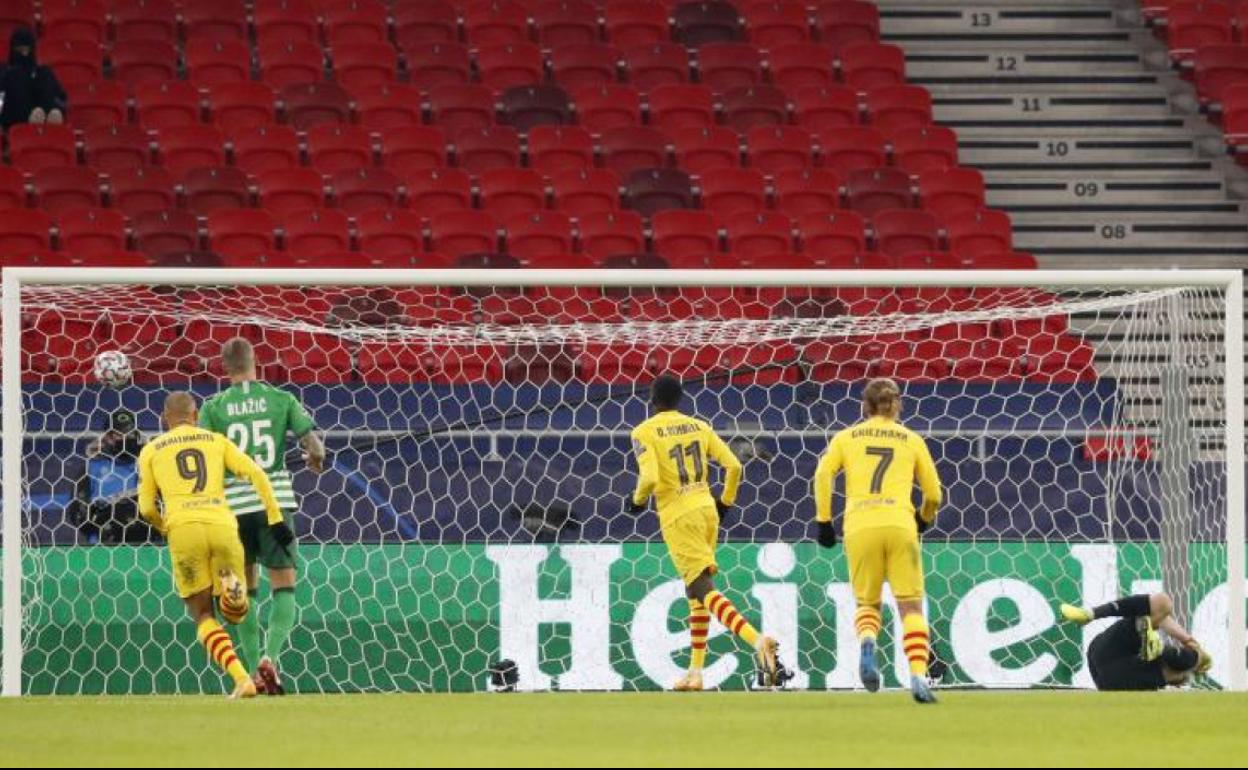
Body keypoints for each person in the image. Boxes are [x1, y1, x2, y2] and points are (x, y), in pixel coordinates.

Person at [626, 374, 781, 691]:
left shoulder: (643, 432)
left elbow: (651, 477)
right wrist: (725, 503)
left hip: (678, 515)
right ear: (680, 399)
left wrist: (636, 501)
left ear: (652, 400)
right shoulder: (699, 426)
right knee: (697, 594)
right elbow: (735, 467)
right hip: (707, 509)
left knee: (701, 588)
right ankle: (696, 672)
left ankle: (757, 640)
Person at [138, 391, 293, 699]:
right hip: (222, 523)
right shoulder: (215, 441)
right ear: (195, 415)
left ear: (164, 419)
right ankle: (232, 594)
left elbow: (146, 508)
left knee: (203, 614)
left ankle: (242, 680)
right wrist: (275, 516)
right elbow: (256, 474)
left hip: (184, 527)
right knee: (235, 611)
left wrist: (164, 526)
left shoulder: (152, 449)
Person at [199, 337, 325, 695]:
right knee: (284, 585)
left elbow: (206, 457)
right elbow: (314, 446)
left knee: (245, 590)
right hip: (275, 504)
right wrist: (315, 461)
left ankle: (253, 672)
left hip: (234, 510)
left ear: (225, 366)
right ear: (256, 361)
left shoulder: (214, 407)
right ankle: (271, 657)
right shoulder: (281, 399)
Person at [813, 378, 942, 704]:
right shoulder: (912, 440)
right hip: (900, 524)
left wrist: (824, 520)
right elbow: (934, 494)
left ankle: (869, 642)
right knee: (910, 606)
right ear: (897, 405)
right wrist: (923, 518)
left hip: (860, 526)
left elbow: (823, 475)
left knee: (868, 604)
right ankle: (917, 675)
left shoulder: (845, 438)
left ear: (864, 407)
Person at [1059, 593, 1212, 690]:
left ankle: (1090, 613)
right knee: (1180, 670)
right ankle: (1158, 649)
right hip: (1114, 680)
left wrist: (1190, 643)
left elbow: (1161, 610)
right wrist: (1191, 643)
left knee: (1161, 603)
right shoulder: (1179, 670)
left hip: (1101, 653)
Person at [69, 409, 157, 544]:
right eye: (118, 434)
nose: (125, 438)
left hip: (149, 545)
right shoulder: (91, 469)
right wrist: (111, 514)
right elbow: (79, 518)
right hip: (105, 549)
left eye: (130, 433)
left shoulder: (150, 464)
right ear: (107, 437)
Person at [0, 27, 67, 128]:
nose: (24, 54)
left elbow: (61, 98)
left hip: (47, 119)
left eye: (26, 50)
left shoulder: (44, 73)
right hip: (14, 123)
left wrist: (57, 110)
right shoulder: (5, 73)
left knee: (54, 114)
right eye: (19, 50)